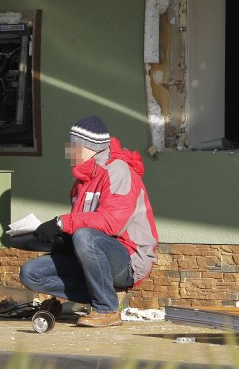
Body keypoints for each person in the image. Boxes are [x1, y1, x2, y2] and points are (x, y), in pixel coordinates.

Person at [16, 115, 158, 327]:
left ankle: (107, 309)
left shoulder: (118, 171)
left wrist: (61, 223)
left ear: (91, 148)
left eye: (74, 146)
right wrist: (36, 237)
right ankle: (102, 295)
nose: (69, 152)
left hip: (129, 258)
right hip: (96, 253)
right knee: (31, 274)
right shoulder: (81, 182)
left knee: (85, 237)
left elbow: (111, 223)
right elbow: (81, 225)